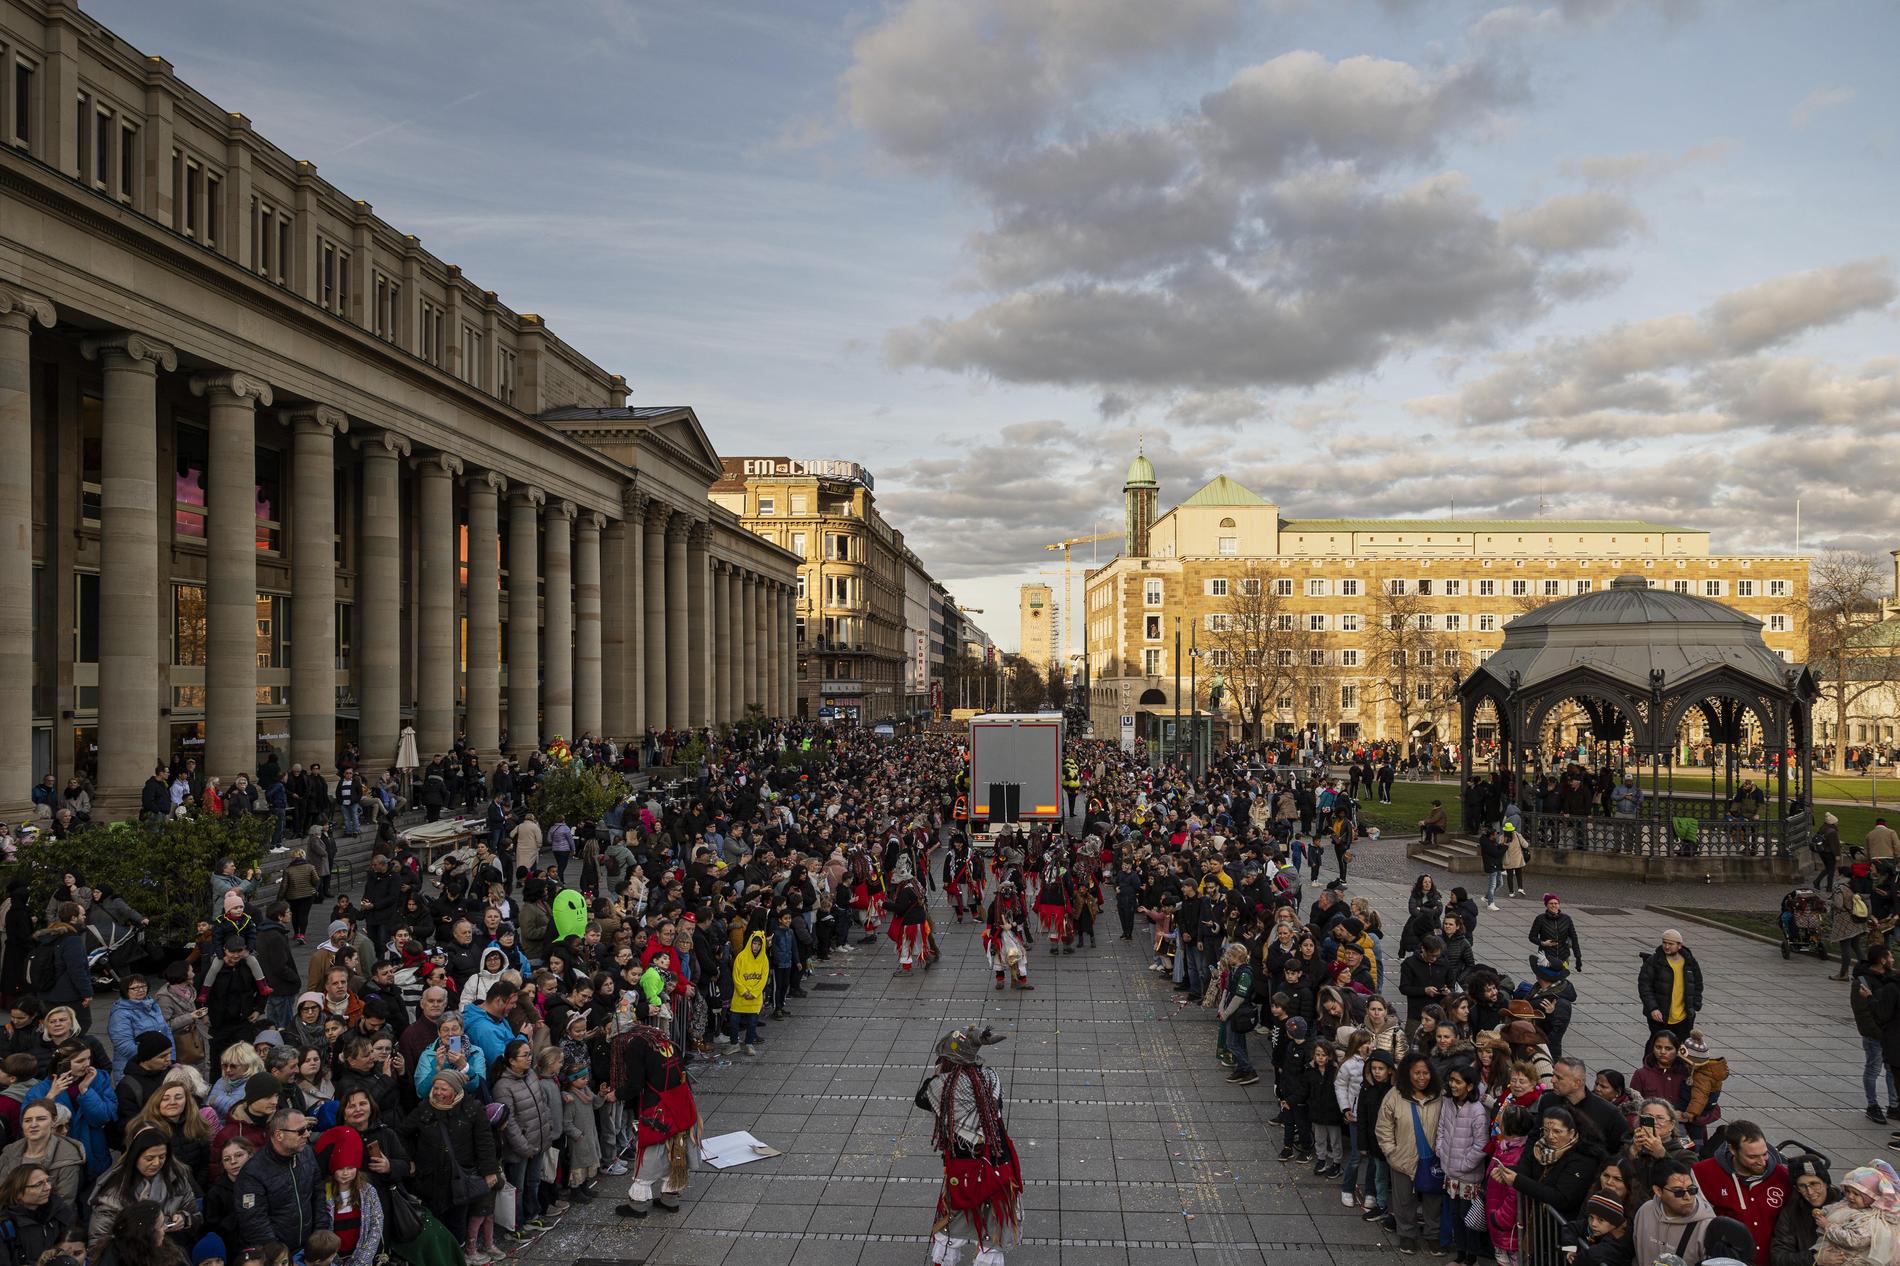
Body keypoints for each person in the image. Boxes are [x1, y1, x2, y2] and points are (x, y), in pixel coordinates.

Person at [914, 1024, 1021, 1266]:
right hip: (996, 1160)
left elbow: (921, 1099)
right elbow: (997, 1106)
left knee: (955, 1212)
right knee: (994, 1218)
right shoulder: (991, 1078)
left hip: (961, 1163)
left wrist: (940, 1074)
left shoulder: (940, 1086)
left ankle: (946, 1260)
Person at [609, 1013, 698, 1220]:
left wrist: (616, 1094)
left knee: (649, 1156)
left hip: (657, 1109)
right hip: (681, 1103)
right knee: (676, 1150)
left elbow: (636, 1084)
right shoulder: (660, 1039)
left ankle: (638, 1205)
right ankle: (670, 1199)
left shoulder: (634, 1046)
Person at [86, 1128, 203, 1255]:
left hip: (172, 1254)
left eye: (162, 1157)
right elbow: (98, 1243)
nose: (157, 1163)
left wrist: (185, 1219)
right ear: (135, 1157)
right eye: (149, 1158)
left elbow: (197, 1215)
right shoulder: (114, 1193)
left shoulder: (176, 1180)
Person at [1374, 1052, 1444, 1256]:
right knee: (1404, 1199)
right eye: (1417, 1073)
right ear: (1407, 1073)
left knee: (1433, 1200)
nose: (1422, 1078)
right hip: (1402, 1159)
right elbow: (1383, 1127)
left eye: (1426, 1073)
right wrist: (1391, 1152)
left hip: (1433, 1160)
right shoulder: (1394, 1095)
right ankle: (1407, 1234)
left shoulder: (1440, 1095)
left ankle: (1433, 1236)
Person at [1692, 1120, 1789, 1266]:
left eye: (1764, 1154)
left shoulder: (1783, 1175)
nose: (1762, 1162)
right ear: (1732, 1150)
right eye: (1752, 1157)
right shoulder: (1703, 1173)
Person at [234, 1108, 329, 1251]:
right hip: (277, 1255)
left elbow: (318, 1192)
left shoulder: (306, 1153)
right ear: (279, 1135)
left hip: (309, 1247)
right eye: (301, 1131)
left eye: (308, 1128)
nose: (307, 1134)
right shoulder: (252, 1173)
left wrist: (321, 1231)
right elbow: (255, 1223)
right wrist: (280, 1255)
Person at [1632, 1157, 1716, 1266]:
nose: (1688, 1197)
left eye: (1692, 1190)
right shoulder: (1644, 1212)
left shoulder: (1707, 1226)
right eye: (1678, 1192)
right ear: (1658, 1191)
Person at [0, 1163, 81, 1265]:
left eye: (48, 1181)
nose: (48, 1187)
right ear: (18, 1193)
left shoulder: (60, 1211)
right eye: (39, 1184)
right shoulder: (5, 1226)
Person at [1637, 929, 1703, 1042]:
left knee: (1682, 1051)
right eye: (1664, 943)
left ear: (1679, 945)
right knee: (1657, 1047)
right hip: (1660, 1017)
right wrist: (1653, 1008)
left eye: (1671, 944)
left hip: (1683, 1017)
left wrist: (1695, 1004)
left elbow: (1698, 984)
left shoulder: (1689, 962)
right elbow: (1645, 987)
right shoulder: (1654, 961)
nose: (1666, 946)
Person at [1770, 1152, 1835, 1266]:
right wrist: (1814, 1258)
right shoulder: (1791, 1213)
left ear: (1826, 1183)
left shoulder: (1846, 1205)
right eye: (1802, 1186)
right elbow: (1779, 1257)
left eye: (1814, 1184)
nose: (1810, 1192)